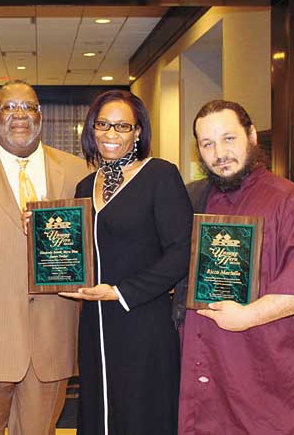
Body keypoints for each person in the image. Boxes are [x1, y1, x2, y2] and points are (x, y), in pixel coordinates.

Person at [177, 100, 294, 434]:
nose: (220, 153)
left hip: (264, 380)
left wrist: (248, 316)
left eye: (229, 138)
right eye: (208, 144)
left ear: (251, 135)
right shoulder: (194, 200)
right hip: (205, 368)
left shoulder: (290, 202)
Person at [0, 80, 89, 435]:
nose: (20, 115)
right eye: (10, 108)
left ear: (42, 116)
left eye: (29, 107)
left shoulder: (77, 172)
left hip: (52, 340)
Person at [60, 90, 192, 435]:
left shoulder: (159, 175)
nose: (110, 134)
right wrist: (42, 233)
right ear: (91, 129)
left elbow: (181, 252)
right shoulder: (85, 185)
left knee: (140, 413)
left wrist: (120, 292)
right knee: (98, 410)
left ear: (138, 132)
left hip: (142, 320)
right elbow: (77, 249)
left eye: (122, 126)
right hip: (94, 323)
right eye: (103, 124)